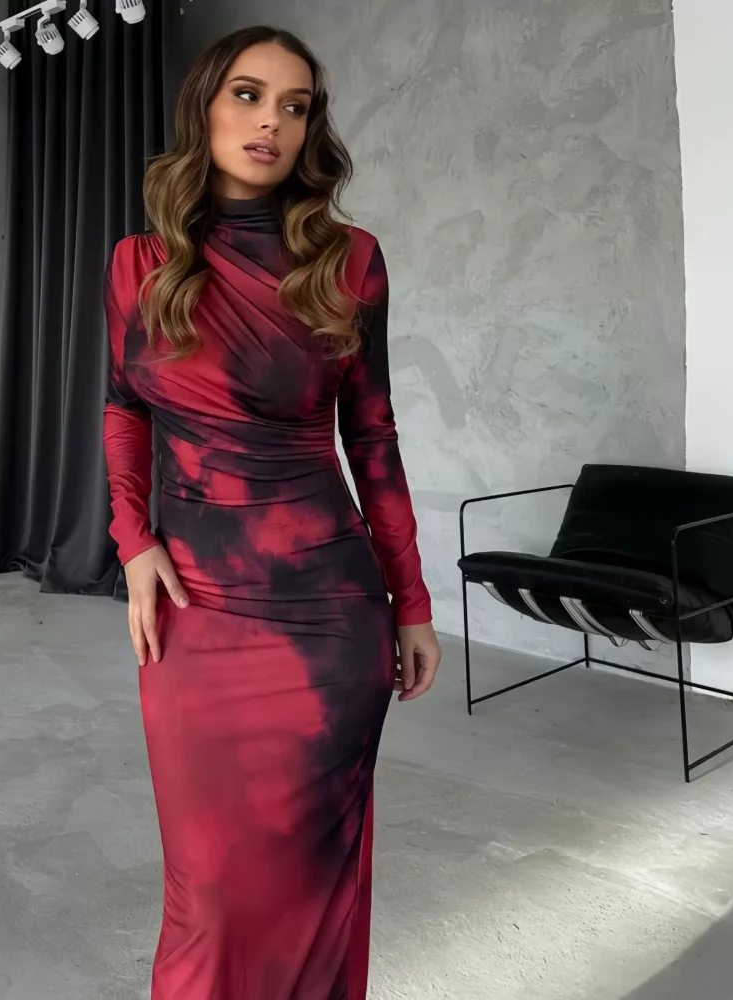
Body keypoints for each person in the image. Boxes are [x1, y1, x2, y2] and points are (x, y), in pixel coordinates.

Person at [103, 24, 441, 1000]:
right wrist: (133, 541)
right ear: (205, 109)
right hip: (196, 608)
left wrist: (411, 603)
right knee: (207, 894)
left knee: (307, 887)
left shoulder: (349, 261)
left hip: (328, 620)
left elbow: (372, 438)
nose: (272, 123)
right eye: (248, 95)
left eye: (295, 106)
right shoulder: (138, 264)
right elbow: (123, 408)